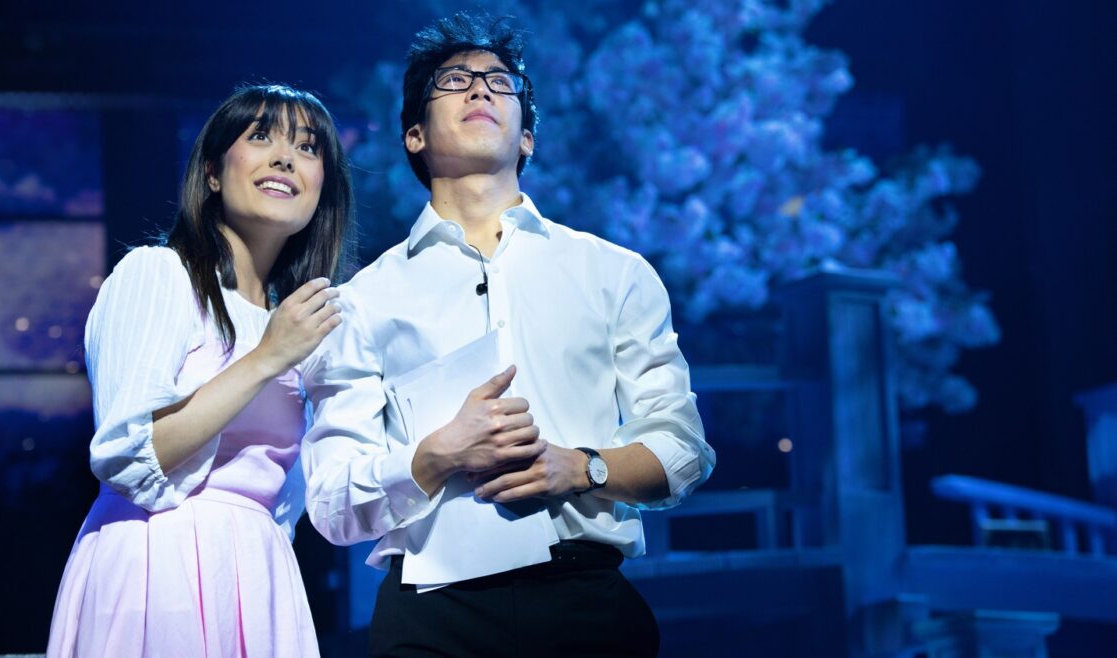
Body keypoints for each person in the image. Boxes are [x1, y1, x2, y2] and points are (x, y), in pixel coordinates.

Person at [301, 12, 715, 658]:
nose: (480, 89)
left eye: (501, 82)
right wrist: (435, 456)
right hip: (432, 613)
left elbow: (684, 450)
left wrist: (582, 467)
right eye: (454, 80)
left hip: (582, 597)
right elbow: (331, 505)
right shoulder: (363, 300)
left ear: (526, 138)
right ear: (414, 135)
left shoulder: (614, 272)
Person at [47, 83, 353, 657]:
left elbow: (300, 501)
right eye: (261, 136)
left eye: (307, 147)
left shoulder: (304, 327)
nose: (285, 158)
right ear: (212, 172)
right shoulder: (160, 275)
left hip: (258, 572)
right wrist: (267, 357)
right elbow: (129, 455)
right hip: (157, 561)